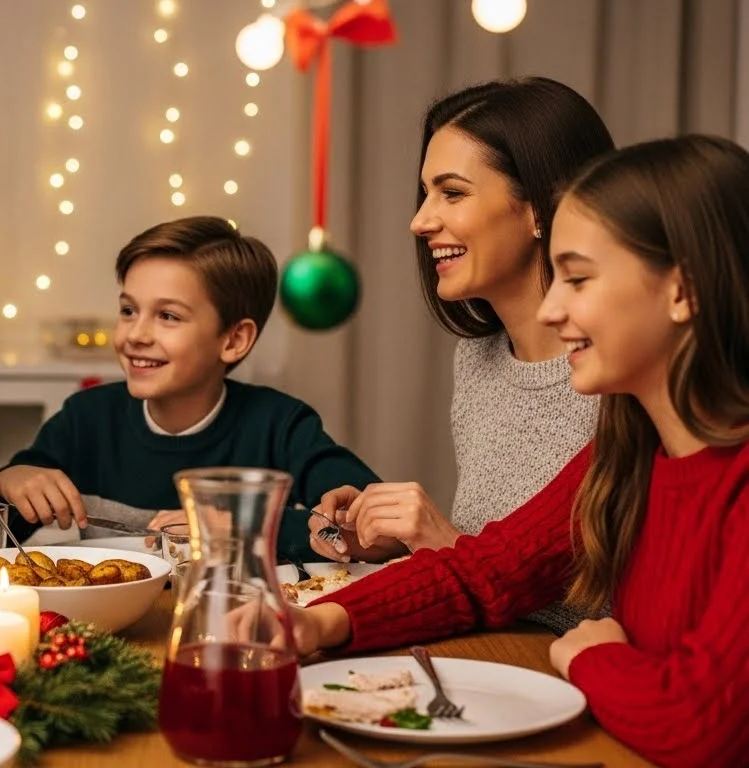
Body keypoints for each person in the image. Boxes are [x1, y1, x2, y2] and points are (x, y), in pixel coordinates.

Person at [291, 135, 749, 768]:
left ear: (682, 291)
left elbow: (703, 726)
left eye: (578, 279)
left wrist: (592, 658)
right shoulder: (629, 452)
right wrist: (319, 622)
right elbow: (486, 571)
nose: (553, 310)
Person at [308, 78, 614, 632]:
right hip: (485, 654)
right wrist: (400, 539)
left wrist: (446, 547)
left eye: (451, 193)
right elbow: (490, 557)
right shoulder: (477, 361)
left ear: (543, 207)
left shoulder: (627, 379)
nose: (420, 221)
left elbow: (616, 611)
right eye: (425, 193)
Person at [0, 216, 380, 563]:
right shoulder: (85, 420)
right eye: (128, 310)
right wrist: (3, 481)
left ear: (234, 340)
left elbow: (375, 529)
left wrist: (242, 526)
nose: (135, 335)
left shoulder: (281, 426)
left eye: (168, 316)